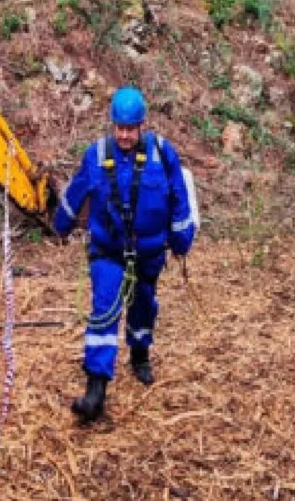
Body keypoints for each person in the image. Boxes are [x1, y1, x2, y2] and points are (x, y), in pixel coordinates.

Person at [52, 86, 195, 423]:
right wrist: (61, 224)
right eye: (120, 128)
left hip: (149, 251)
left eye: (131, 129)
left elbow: (179, 197)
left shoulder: (163, 154)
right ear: (113, 125)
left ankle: (140, 353)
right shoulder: (97, 154)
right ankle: (96, 387)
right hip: (108, 250)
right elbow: (76, 192)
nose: (126, 135)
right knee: (104, 310)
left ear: (142, 125)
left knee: (143, 304)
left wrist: (181, 239)